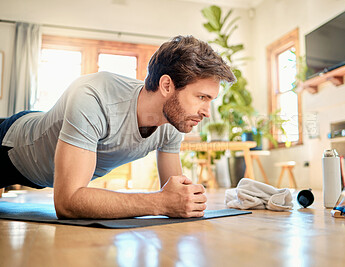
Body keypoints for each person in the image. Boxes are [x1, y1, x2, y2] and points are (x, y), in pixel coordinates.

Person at [0, 35, 236, 219]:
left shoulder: (174, 120)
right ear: (167, 85)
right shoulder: (93, 95)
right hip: (11, 148)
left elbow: (173, 193)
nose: (206, 112)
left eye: (210, 100)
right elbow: (67, 202)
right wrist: (159, 202)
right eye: (201, 97)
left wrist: (184, 200)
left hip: (42, 164)